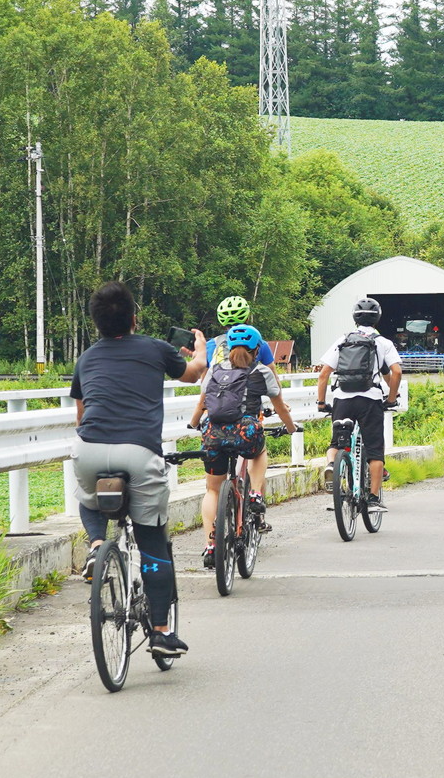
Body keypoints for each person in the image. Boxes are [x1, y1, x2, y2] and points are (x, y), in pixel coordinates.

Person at [70, 281, 206, 657]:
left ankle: (97, 544)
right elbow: (194, 374)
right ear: (134, 318)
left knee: (88, 498)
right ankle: (161, 632)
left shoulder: (86, 358)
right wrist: (200, 350)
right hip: (139, 453)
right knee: (152, 544)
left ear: (96, 323)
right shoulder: (154, 347)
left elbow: (82, 415)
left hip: (90, 449)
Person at [194, 324, 297, 568]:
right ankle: (255, 494)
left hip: (214, 434)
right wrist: (291, 428)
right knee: (259, 451)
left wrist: (193, 423)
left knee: (212, 490)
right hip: (245, 433)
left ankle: (211, 545)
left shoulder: (215, 370)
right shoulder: (261, 371)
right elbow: (280, 405)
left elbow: (202, 403)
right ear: (257, 348)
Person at [316, 298, 402, 510]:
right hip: (370, 400)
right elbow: (396, 372)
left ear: (354, 318)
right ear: (378, 318)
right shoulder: (383, 343)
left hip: (342, 399)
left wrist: (321, 403)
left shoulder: (342, 340)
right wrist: (391, 399)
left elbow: (323, 374)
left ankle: (332, 467)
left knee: (336, 443)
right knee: (374, 451)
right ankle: (372, 499)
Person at [206, 295, 275, 368]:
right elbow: (273, 375)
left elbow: (205, 378)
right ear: (247, 318)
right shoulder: (259, 343)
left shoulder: (209, 345)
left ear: (221, 322)